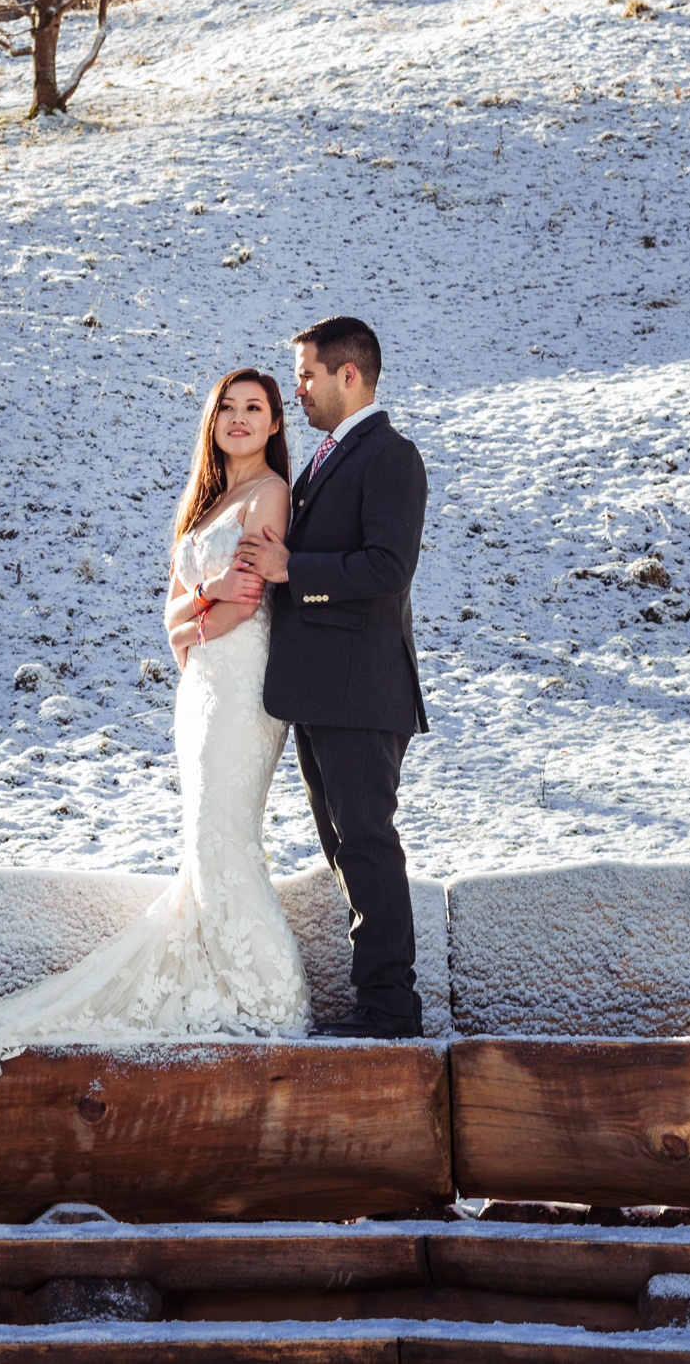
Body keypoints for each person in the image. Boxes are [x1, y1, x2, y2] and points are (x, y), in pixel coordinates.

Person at [0, 368, 312, 1090]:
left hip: (241, 685)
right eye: (228, 409)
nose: (240, 420)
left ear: (275, 424)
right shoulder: (208, 499)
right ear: (212, 422)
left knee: (225, 837)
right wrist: (197, 609)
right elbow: (172, 613)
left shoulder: (269, 491)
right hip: (201, 690)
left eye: (256, 409)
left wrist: (198, 610)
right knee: (199, 843)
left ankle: (269, 996)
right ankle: (219, 976)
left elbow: (245, 597)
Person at [230, 317, 430, 1039]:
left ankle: (389, 1009)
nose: (300, 390)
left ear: (351, 375)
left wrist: (294, 570)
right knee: (346, 847)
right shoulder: (325, 458)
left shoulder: (391, 456)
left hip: (363, 690)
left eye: (308, 375)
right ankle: (378, 1000)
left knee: (367, 842)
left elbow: (387, 569)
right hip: (323, 691)